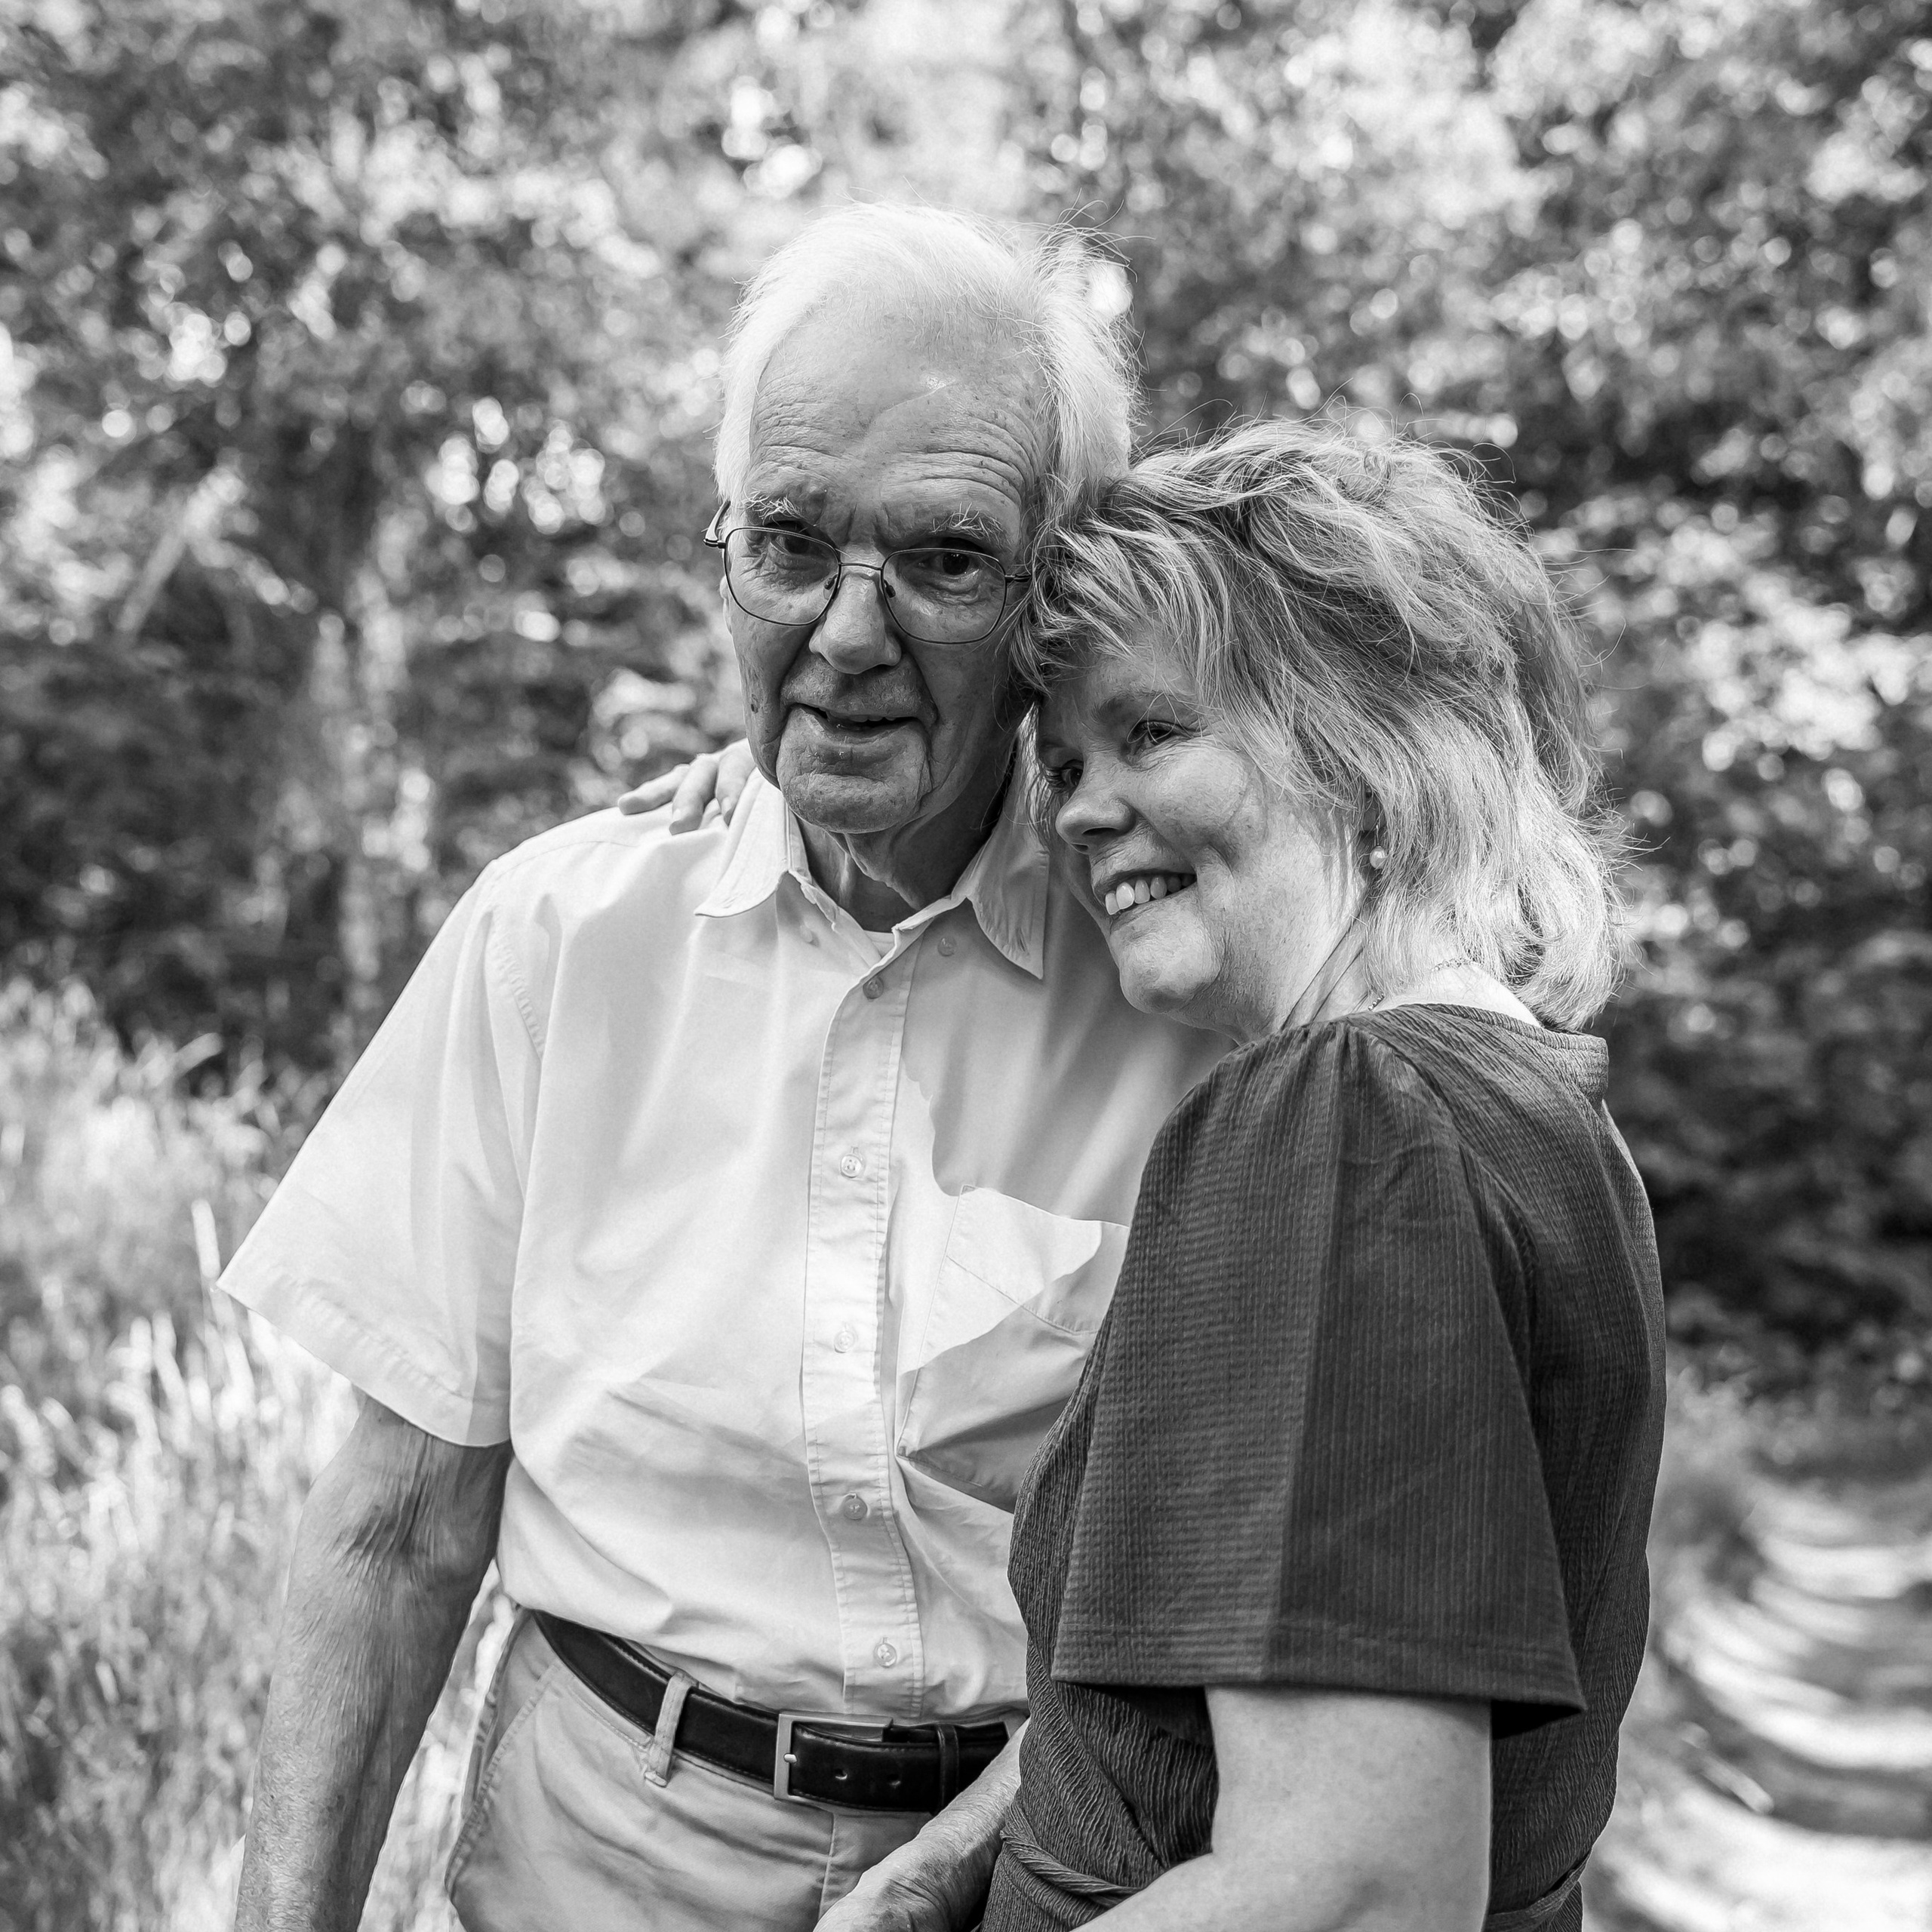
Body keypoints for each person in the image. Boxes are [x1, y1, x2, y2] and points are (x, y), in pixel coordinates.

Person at [219, 204, 1225, 1932]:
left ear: (1052, 595)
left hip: (1046, 1860)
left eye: (941, 557)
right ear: (725, 552)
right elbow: (391, 1532)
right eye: (789, 542)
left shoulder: (1182, 980)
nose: (844, 634)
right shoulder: (559, 936)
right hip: (594, 1855)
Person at [652, 417, 1666, 1930]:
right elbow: (1232, 1695)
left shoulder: (1340, 1122)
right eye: (1064, 762)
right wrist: (948, 1862)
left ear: (1364, 739)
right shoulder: (1527, 1105)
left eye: (1152, 731)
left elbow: (1362, 1884)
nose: (1075, 808)